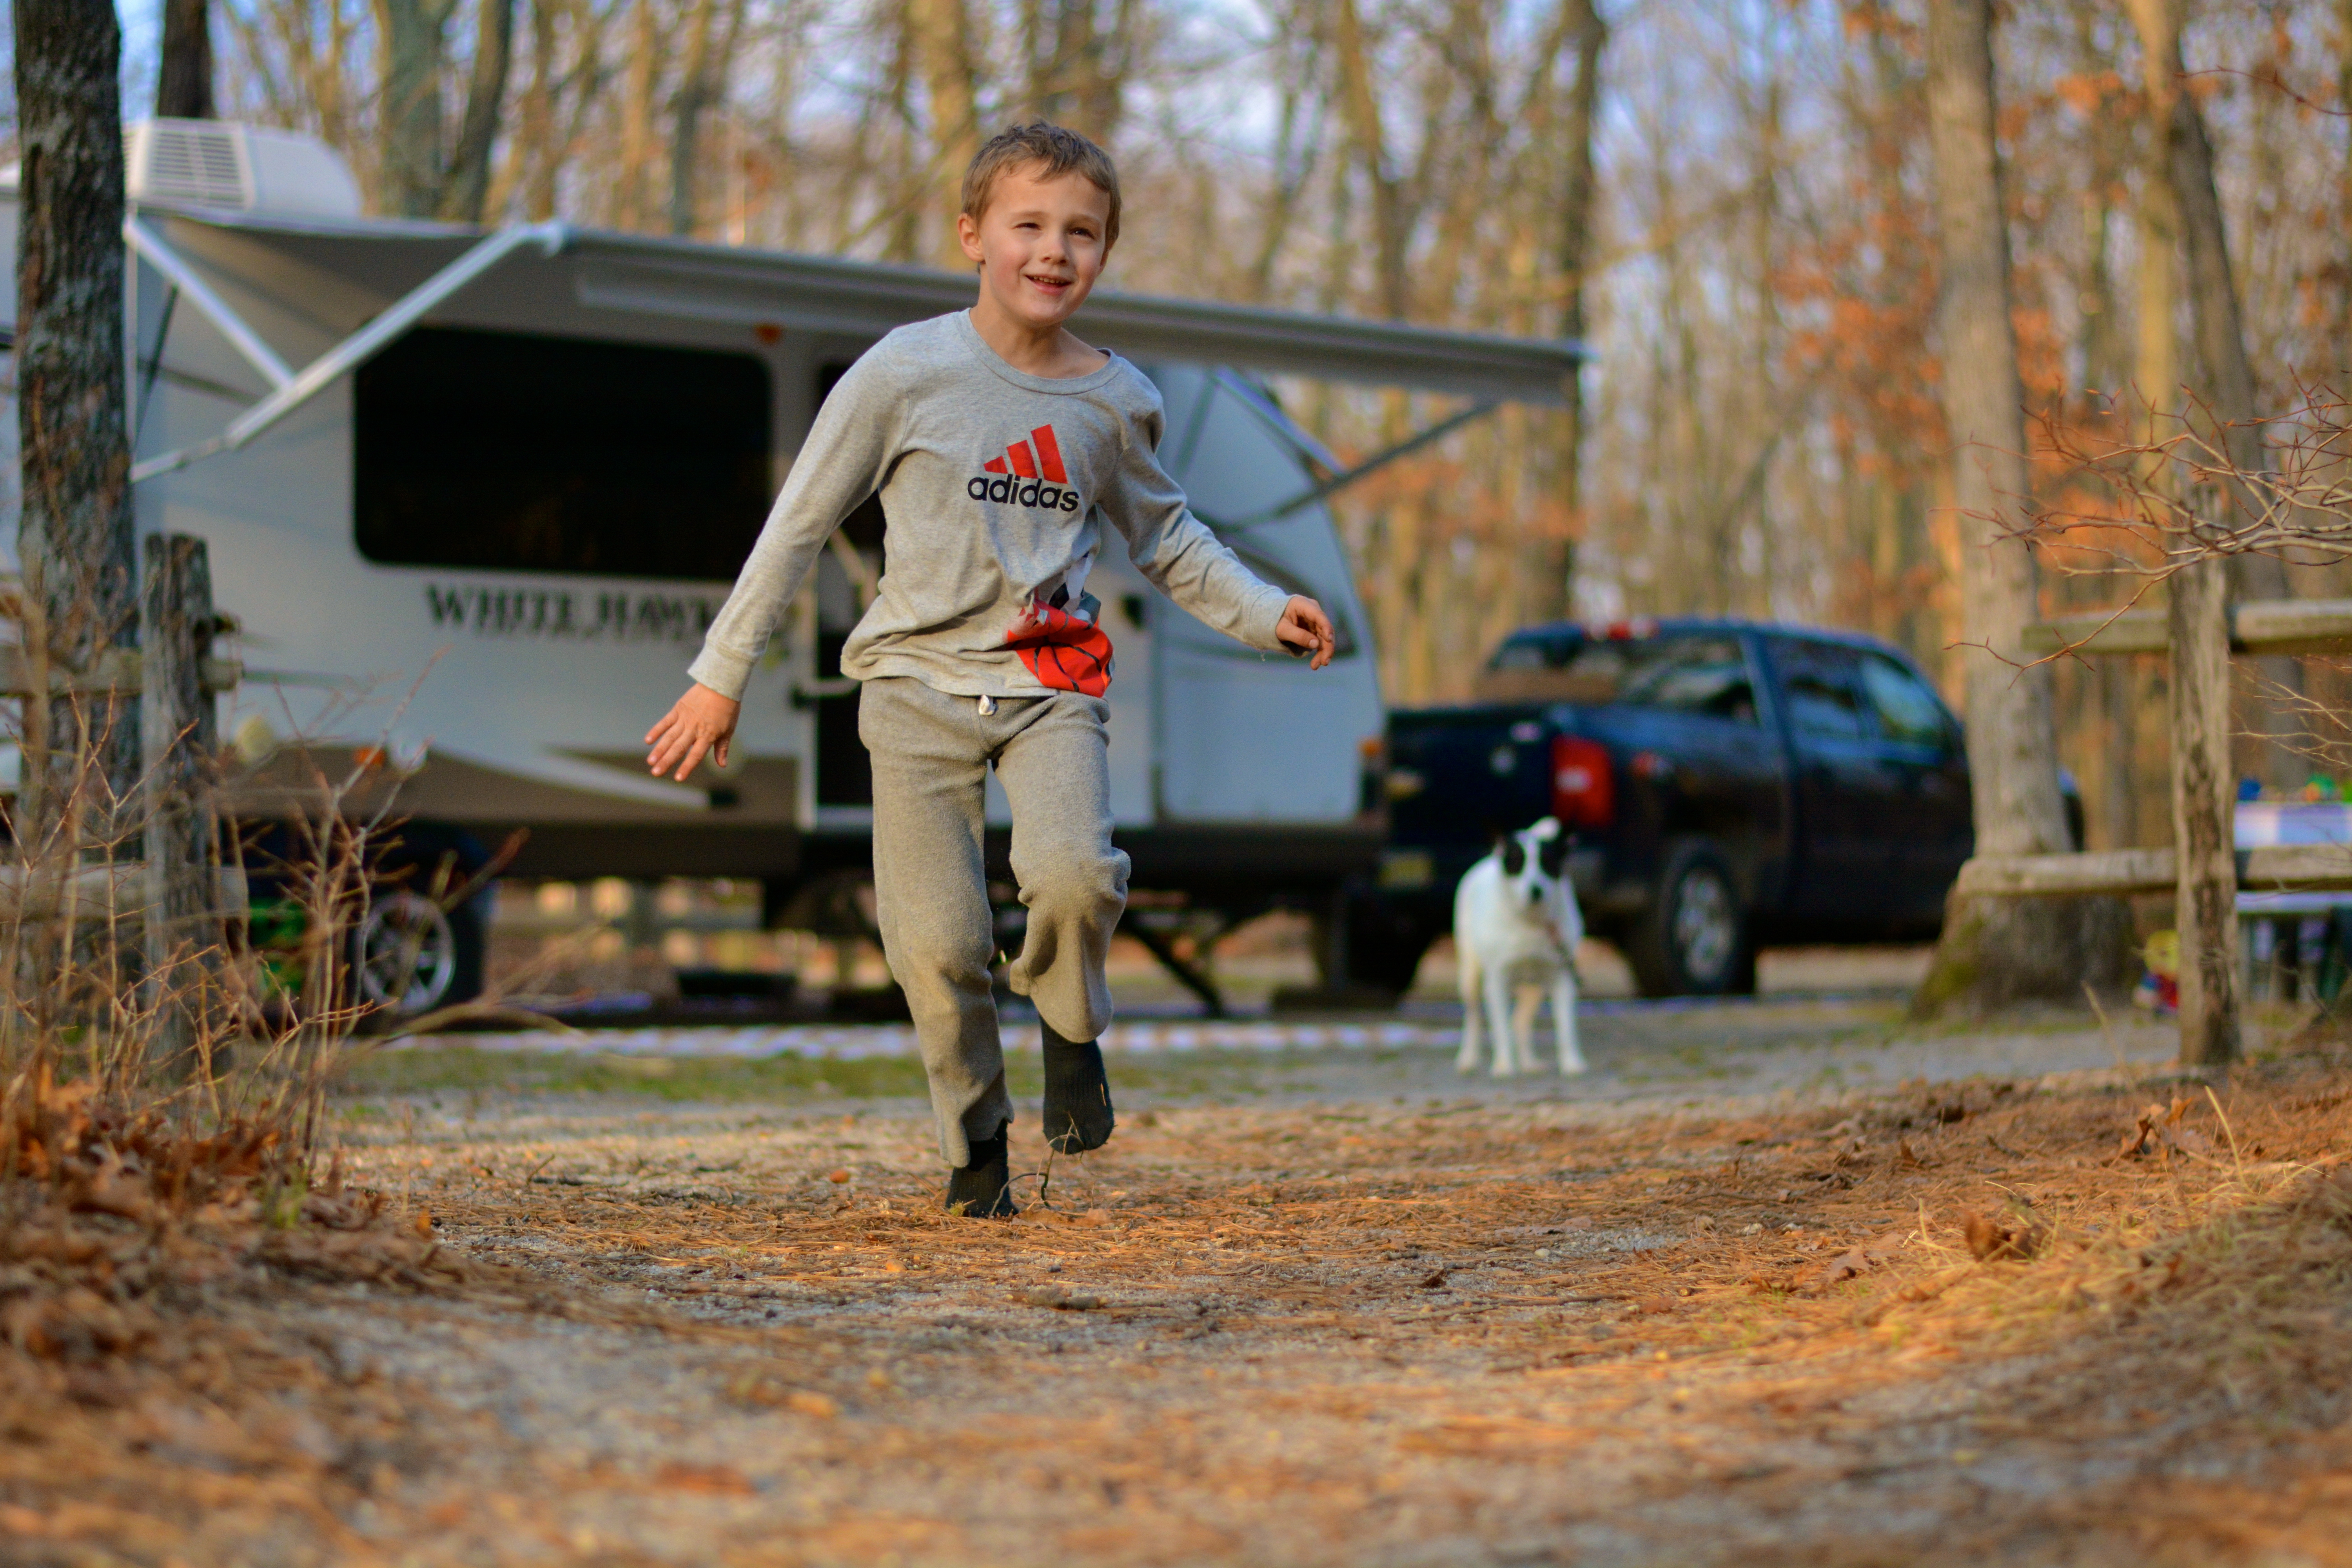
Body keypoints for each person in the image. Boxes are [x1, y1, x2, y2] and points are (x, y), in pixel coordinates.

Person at [643, 121, 1337, 1216]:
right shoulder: (903, 373)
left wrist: (1263, 610)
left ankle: (1071, 1031)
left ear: (1105, 253)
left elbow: (1167, 539)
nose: (1054, 252)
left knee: (1073, 875)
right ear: (974, 235)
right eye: (1030, 226)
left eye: (1083, 233)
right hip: (912, 690)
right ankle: (976, 1148)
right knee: (940, 946)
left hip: (1050, 682)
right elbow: (798, 526)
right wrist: (721, 671)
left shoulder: (1115, 401)